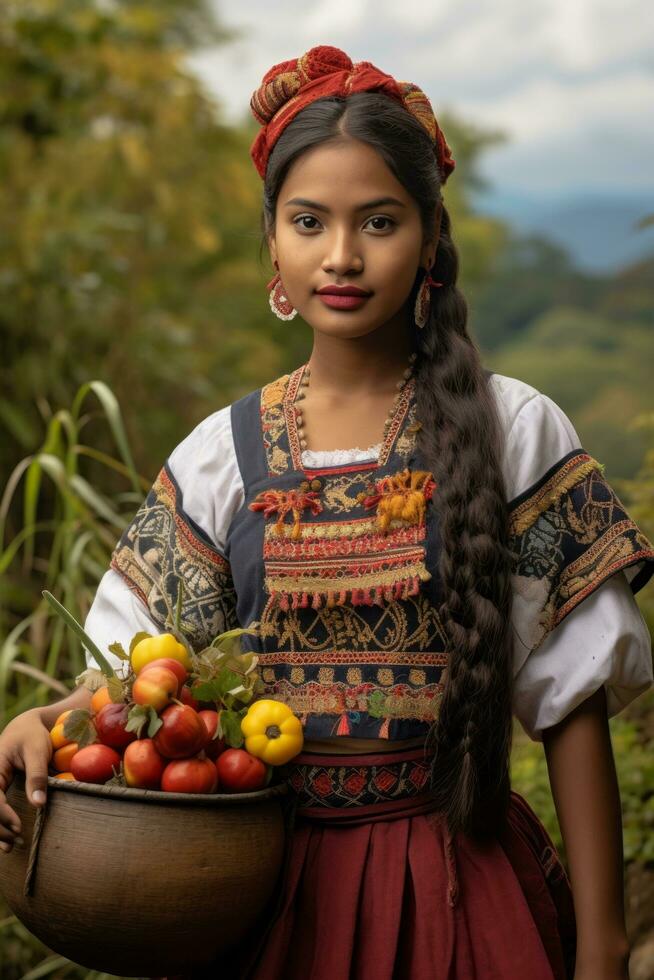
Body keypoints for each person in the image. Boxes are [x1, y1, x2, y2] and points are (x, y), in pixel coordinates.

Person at [1, 44, 653, 980]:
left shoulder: (514, 429)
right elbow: (148, 675)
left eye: (379, 222)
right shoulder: (221, 453)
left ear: (430, 237)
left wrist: (603, 947)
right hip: (266, 899)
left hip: (459, 891)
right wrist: (49, 723)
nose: (341, 256)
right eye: (309, 222)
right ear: (273, 239)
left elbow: (573, 707)